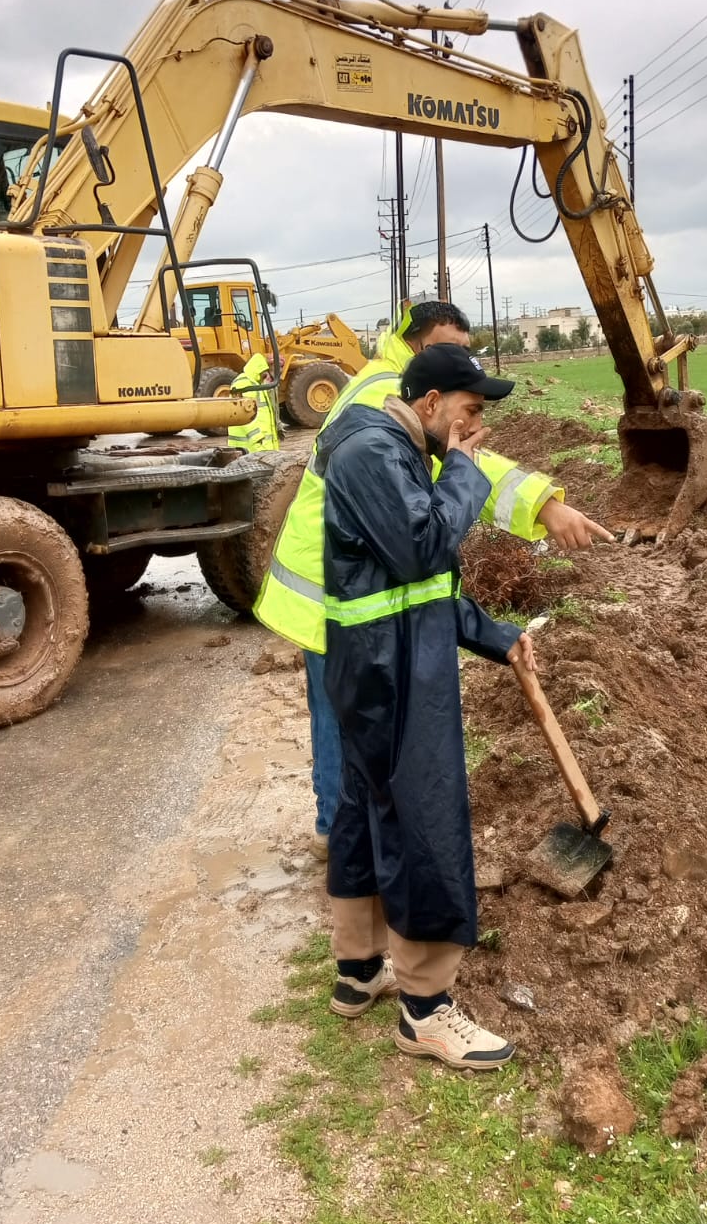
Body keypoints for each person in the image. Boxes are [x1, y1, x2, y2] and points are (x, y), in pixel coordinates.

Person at [255, 301, 613, 857]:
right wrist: (544, 507)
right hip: (326, 585)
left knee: (355, 718)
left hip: (359, 577)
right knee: (343, 717)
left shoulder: (400, 394)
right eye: (446, 349)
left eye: (464, 352)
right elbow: (459, 477)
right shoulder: (382, 396)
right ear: (418, 347)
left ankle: (355, 833)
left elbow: (456, 476)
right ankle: (339, 833)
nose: (456, 360)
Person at [318, 344, 535, 1068]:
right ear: (433, 401)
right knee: (424, 819)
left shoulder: (397, 448)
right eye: (471, 411)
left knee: (366, 809)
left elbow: (422, 583)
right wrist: (463, 471)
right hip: (393, 669)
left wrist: (492, 636)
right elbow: (424, 547)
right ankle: (427, 1010)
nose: (476, 428)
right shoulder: (372, 451)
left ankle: (358, 971)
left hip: (383, 659)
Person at [226, 352, 280, 452]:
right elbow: (244, 416)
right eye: (266, 373)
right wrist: (258, 441)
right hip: (249, 447)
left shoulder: (256, 384)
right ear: (260, 369)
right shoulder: (244, 383)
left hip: (259, 447)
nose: (267, 376)